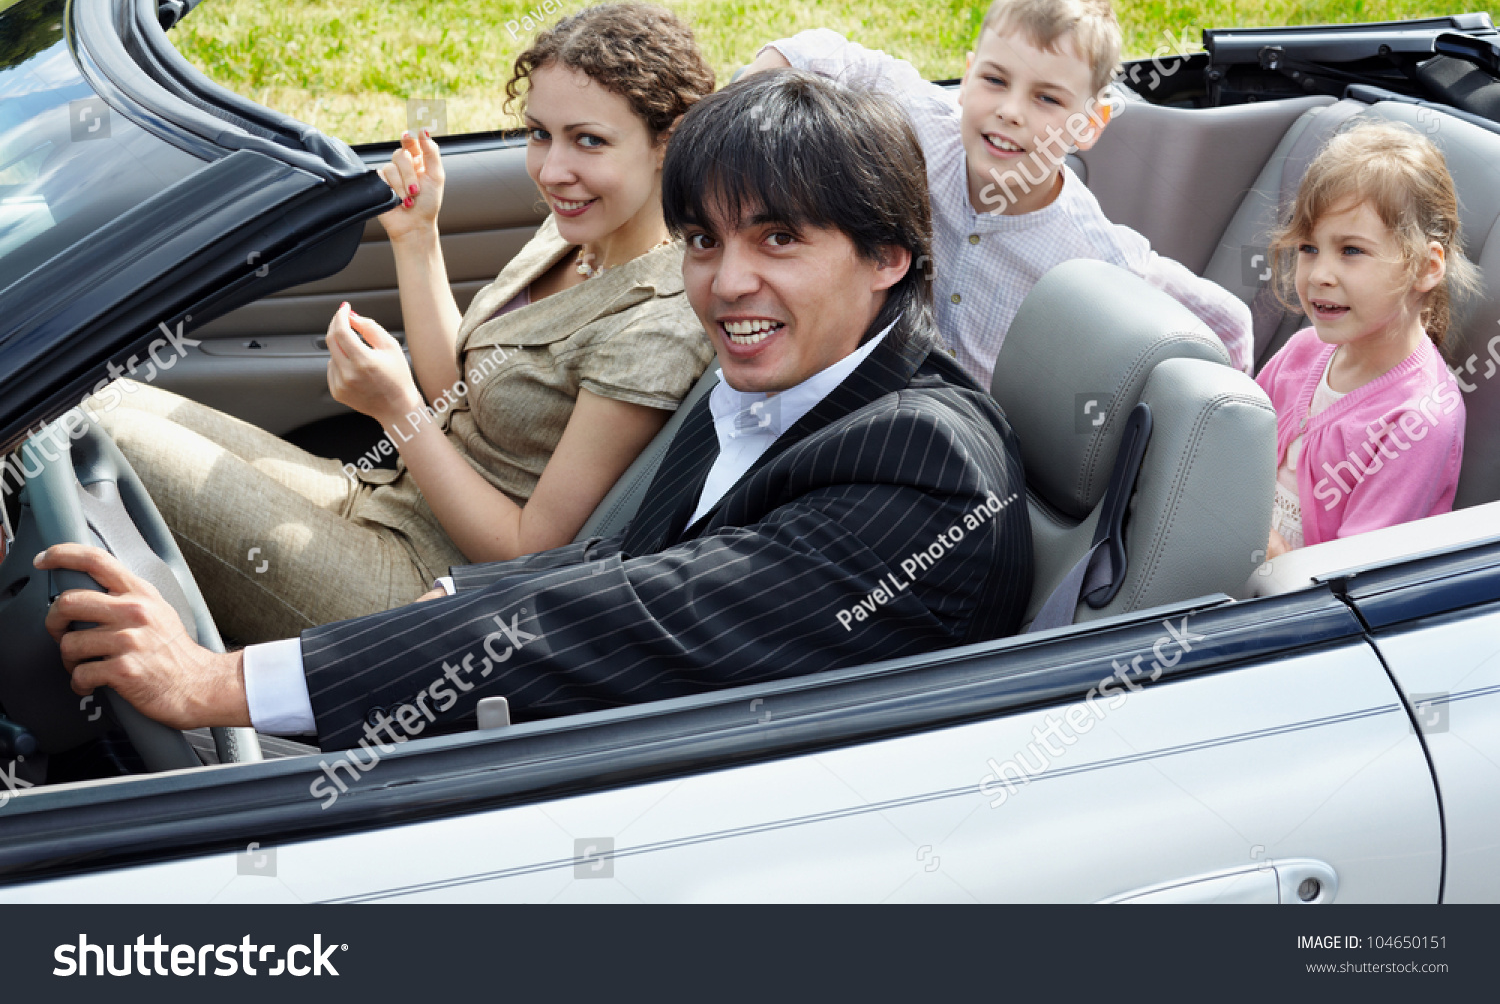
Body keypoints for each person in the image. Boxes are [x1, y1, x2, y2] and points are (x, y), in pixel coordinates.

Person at [39, 70, 1034, 751]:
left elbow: (617, 620)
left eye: (778, 241)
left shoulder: (923, 470)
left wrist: (215, 686)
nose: (727, 284)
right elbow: (621, 562)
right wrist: (457, 601)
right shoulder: (776, 375)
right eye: (702, 240)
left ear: (887, 257)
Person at [89, 1, 716, 645]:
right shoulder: (575, 233)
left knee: (106, 437)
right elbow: (464, 390)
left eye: (589, 140)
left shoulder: (658, 326)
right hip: (375, 501)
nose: (553, 170)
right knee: (92, 401)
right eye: (539, 134)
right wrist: (417, 238)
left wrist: (398, 412)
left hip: (427, 595)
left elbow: (525, 552)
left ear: (668, 142)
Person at [743, 0, 1253, 386]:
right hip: (877, 391)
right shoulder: (927, 126)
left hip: (983, 453)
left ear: (1090, 123)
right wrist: (731, 108)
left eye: (1046, 98)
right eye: (994, 80)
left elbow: (1229, 327)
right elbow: (826, 53)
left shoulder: (1094, 258)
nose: (1010, 111)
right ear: (966, 78)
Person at [1257, 120, 1477, 555]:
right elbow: (1231, 441)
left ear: (1426, 267)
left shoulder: (1419, 419)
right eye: (1308, 248)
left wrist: (1264, 550)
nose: (1319, 275)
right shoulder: (1303, 351)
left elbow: (1347, 582)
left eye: (1351, 251)